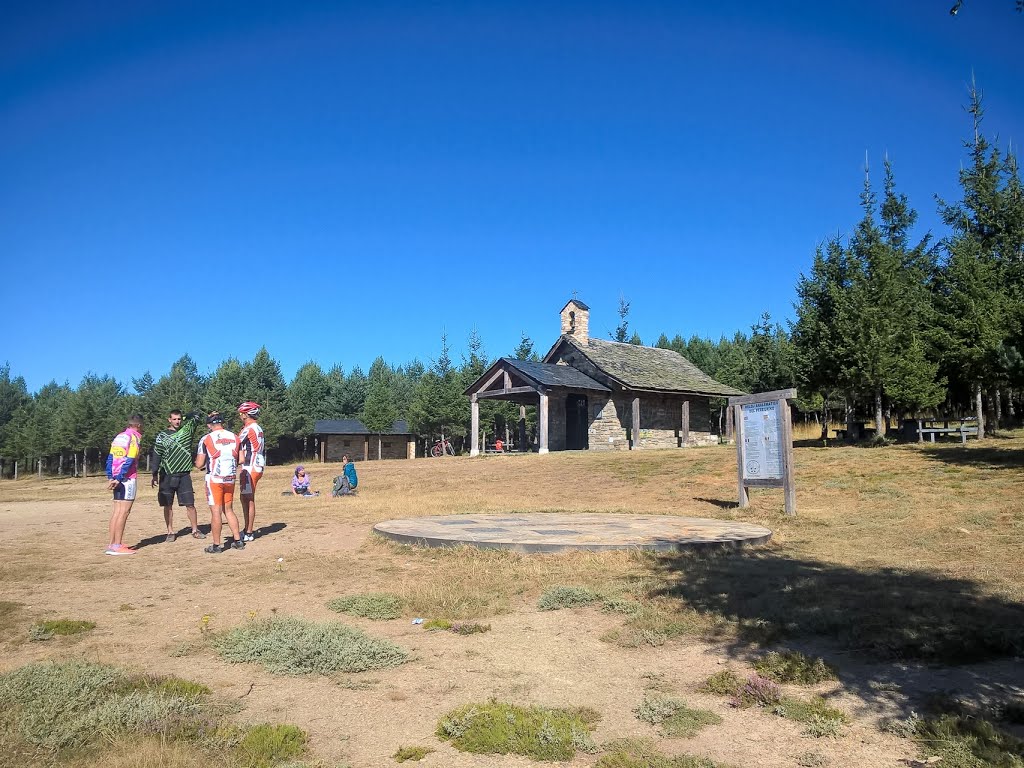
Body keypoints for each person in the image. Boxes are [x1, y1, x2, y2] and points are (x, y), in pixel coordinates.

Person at [151, 409, 205, 542]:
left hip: (184, 474)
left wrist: (187, 416)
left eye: (179, 419)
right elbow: (157, 454)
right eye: (174, 419)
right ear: (169, 420)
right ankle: (170, 531)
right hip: (167, 474)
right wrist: (154, 473)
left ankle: (195, 529)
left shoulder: (187, 431)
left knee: (190, 504)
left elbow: (198, 415)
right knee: (167, 505)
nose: (177, 421)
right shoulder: (162, 436)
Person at [194, 412, 244, 553]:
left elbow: (199, 463)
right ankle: (237, 540)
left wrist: (199, 465)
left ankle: (216, 545)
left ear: (209, 425)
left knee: (216, 512)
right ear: (222, 423)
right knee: (229, 509)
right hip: (230, 477)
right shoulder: (235, 437)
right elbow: (240, 459)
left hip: (214, 478)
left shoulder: (206, 438)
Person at [105, 414, 144, 556]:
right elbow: (131, 458)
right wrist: (120, 477)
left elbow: (110, 458)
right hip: (127, 478)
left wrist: (111, 476)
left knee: (116, 512)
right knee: (124, 512)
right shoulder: (135, 437)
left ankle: (112, 543)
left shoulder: (119, 436)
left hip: (116, 477)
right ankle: (117, 545)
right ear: (139, 425)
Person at [237, 401, 265, 542]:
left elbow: (235, 444)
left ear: (246, 414)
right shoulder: (257, 427)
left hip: (250, 466)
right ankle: (247, 528)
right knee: (244, 497)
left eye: (241, 414)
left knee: (248, 498)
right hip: (256, 465)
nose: (240, 416)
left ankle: (249, 531)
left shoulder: (249, 428)